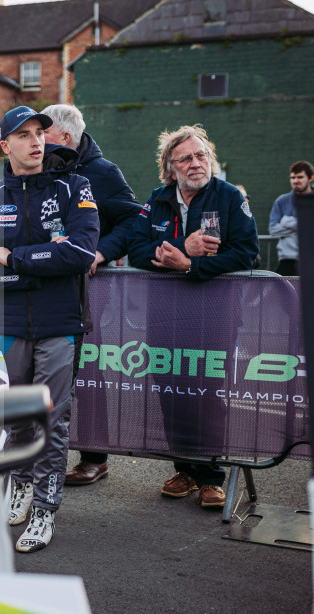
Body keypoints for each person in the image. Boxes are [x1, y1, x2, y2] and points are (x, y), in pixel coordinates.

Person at [0, 106, 99, 552]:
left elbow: (79, 253)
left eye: (39, 132)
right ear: (5, 145)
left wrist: (15, 258)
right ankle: (20, 485)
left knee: (52, 419)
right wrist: (40, 262)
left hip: (60, 323)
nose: (36, 141)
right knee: (15, 416)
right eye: (23, 135)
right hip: (7, 324)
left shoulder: (74, 186)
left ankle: (45, 510)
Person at [126, 124, 258, 508]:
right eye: (187, 158)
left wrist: (189, 266)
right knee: (172, 393)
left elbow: (247, 252)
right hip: (165, 315)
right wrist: (182, 249)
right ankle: (183, 469)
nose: (197, 163)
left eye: (202, 156)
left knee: (208, 394)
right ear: (170, 167)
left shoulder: (230, 196)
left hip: (215, 314)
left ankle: (211, 476)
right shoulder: (157, 199)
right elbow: (136, 250)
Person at [40, 104, 142, 486]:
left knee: (89, 375)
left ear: (64, 137)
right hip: (47, 287)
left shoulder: (102, 172)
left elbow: (135, 219)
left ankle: (95, 458)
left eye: (43, 132)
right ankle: (43, 453)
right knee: (49, 372)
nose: (36, 139)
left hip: (92, 292)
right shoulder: (41, 169)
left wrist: (100, 251)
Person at [269, 161, 313, 276]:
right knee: (282, 293)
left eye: (300, 177)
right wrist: (303, 224)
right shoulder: (282, 201)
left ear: (311, 178)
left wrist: (286, 221)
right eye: (293, 177)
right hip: (288, 260)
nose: (296, 181)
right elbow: (273, 230)